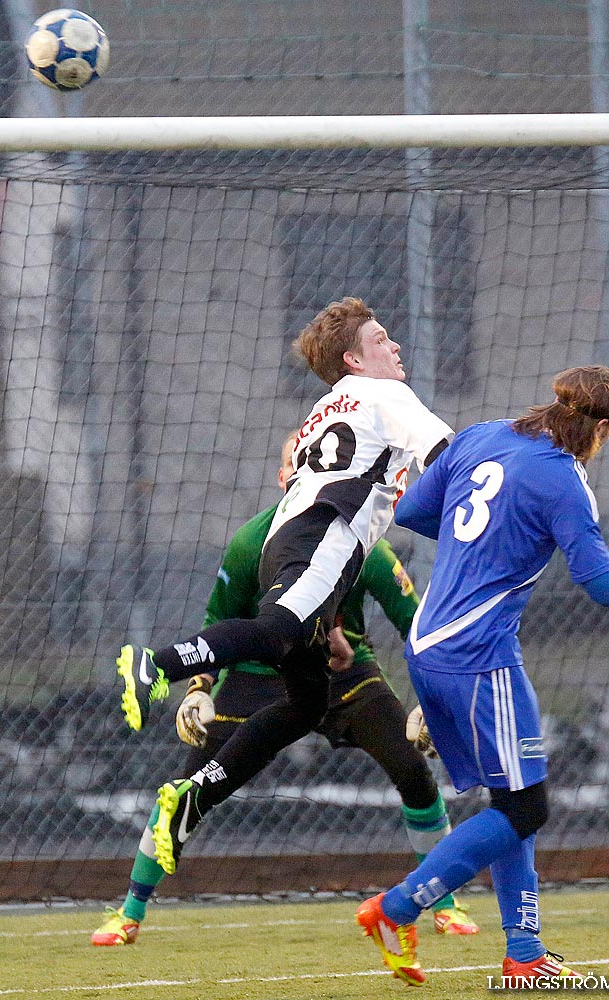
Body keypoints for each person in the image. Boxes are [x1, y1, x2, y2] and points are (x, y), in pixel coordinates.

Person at [355, 365, 609, 988]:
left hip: (427, 645)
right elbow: (603, 585)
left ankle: (524, 952)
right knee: (527, 806)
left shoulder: (481, 435)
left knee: (512, 798)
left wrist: (482, 537)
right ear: (601, 426)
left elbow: (409, 510)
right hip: (478, 656)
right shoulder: (565, 481)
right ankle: (398, 908)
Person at [92, 431, 479, 945]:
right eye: (299, 468)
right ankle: (130, 912)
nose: (309, 476)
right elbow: (220, 620)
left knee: (413, 769)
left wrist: (433, 699)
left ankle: (443, 902)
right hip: (256, 680)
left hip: (343, 677)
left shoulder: (368, 545)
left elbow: (417, 625)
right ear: (284, 479)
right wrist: (198, 689)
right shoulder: (253, 542)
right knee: (190, 790)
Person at [114, 296, 454, 880]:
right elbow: (447, 455)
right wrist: (492, 498)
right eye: (380, 340)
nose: (394, 346)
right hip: (323, 535)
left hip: (293, 537)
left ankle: (193, 795)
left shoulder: (326, 406)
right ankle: (155, 665)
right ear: (353, 358)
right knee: (274, 633)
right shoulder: (385, 395)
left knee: (305, 703)